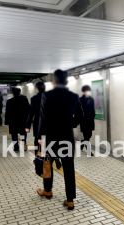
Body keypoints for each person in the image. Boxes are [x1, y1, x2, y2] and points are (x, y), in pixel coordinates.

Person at [37, 69, 83, 210]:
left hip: (50, 137)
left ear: (54, 82)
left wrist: (40, 137)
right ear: (67, 81)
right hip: (67, 137)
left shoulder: (47, 95)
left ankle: (48, 190)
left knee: (47, 163)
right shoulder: (74, 96)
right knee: (69, 168)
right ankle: (70, 200)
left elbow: (43, 118)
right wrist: (71, 123)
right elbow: (80, 116)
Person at [25, 82, 62, 169]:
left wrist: (27, 126)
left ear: (37, 88)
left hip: (38, 124)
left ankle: (39, 159)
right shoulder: (51, 97)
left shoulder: (34, 99)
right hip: (51, 124)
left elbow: (31, 113)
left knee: (38, 143)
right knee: (50, 142)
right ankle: (55, 157)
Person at [79, 85, 95, 156]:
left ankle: (82, 142)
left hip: (90, 121)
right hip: (84, 121)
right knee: (86, 136)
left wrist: (93, 115)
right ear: (84, 92)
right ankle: (88, 151)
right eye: (86, 91)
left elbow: (93, 109)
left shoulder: (91, 99)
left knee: (89, 135)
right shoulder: (80, 100)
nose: (88, 92)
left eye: (89, 91)